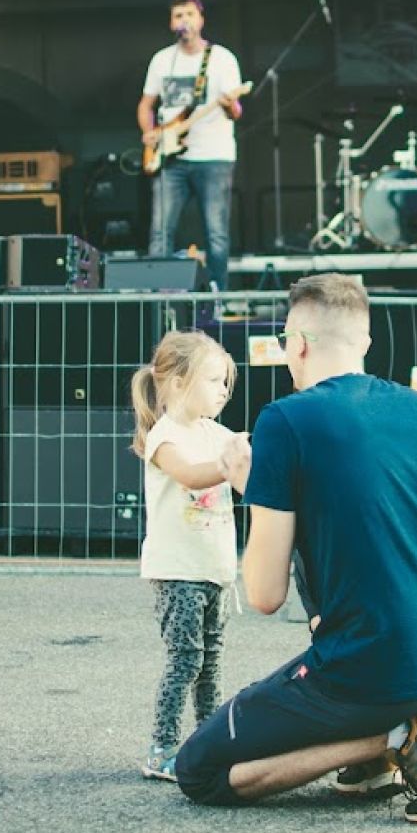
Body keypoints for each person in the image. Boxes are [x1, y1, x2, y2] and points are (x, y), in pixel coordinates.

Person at [173, 273, 417, 823]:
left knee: (198, 770)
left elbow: (266, 593)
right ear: (365, 343)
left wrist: (260, 492)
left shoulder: (286, 419)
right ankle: (401, 731)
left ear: (295, 344)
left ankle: (395, 738)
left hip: (380, 671)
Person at [130, 330, 250, 781]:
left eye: (225, 382)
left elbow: (245, 468)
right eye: (215, 380)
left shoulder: (215, 433)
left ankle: (208, 743)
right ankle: (161, 748)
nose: (223, 390)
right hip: (178, 570)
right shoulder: (165, 437)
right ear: (179, 382)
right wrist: (229, 464)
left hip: (215, 569)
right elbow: (191, 475)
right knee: (186, 659)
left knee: (210, 660)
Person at [137, 0, 243, 289]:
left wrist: (228, 105)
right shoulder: (162, 60)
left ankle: (217, 298)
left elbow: (236, 112)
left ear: (201, 20)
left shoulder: (221, 59)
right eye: (178, 16)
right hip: (170, 157)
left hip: (214, 156)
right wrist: (149, 131)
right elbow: (146, 104)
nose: (184, 20)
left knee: (216, 233)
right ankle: (158, 298)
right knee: (160, 232)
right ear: (172, 23)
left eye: (189, 15)